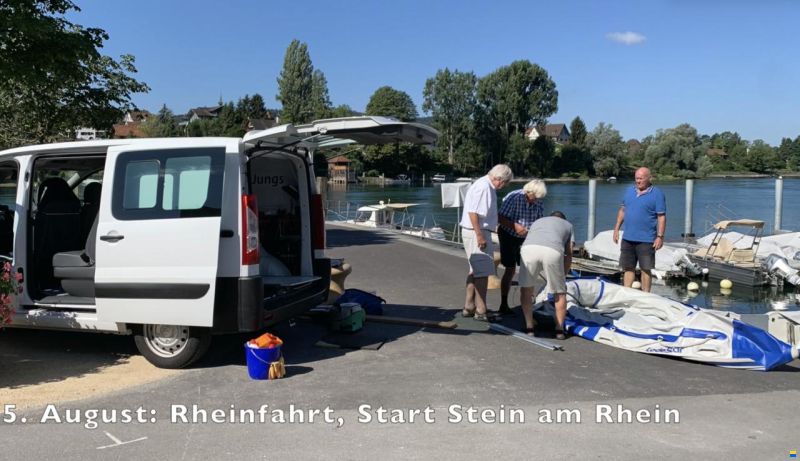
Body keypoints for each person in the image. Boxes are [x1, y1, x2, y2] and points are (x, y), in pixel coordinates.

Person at [460, 164, 513, 322]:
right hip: (477, 231)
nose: (503, 186)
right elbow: (473, 212)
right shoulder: (485, 187)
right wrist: (479, 235)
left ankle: (469, 306)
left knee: (475, 270)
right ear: (499, 179)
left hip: (475, 230)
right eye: (505, 183)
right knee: (482, 273)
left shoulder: (482, 184)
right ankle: (481, 309)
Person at [518, 211, 573, 339]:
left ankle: (529, 327)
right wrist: (563, 276)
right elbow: (569, 253)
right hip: (552, 250)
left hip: (528, 249)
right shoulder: (568, 225)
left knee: (526, 289)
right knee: (559, 292)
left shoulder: (538, 221)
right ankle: (559, 329)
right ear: (563, 219)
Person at [612, 167, 666, 292]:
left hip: (646, 239)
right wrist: (616, 229)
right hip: (628, 238)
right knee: (628, 268)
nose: (638, 181)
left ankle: (646, 296)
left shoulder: (657, 194)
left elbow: (661, 217)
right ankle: (626, 294)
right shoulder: (629, 191)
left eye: (641, 178)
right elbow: (622, 210)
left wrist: (660, 236)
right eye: (636, 178)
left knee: (645, 269)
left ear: (649, 178)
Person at [497, 179, 546, 315]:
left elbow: (539, 222)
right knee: (510, 269)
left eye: (538, 199)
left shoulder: (538, 201)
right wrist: (515, 226)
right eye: (534, 198)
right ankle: (504, 303)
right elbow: (499, 217)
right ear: (528, 192)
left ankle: (528, 303)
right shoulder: (514, 197)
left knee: (529, 269)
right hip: (508, 234)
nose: (535, 201)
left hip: (526, 237)